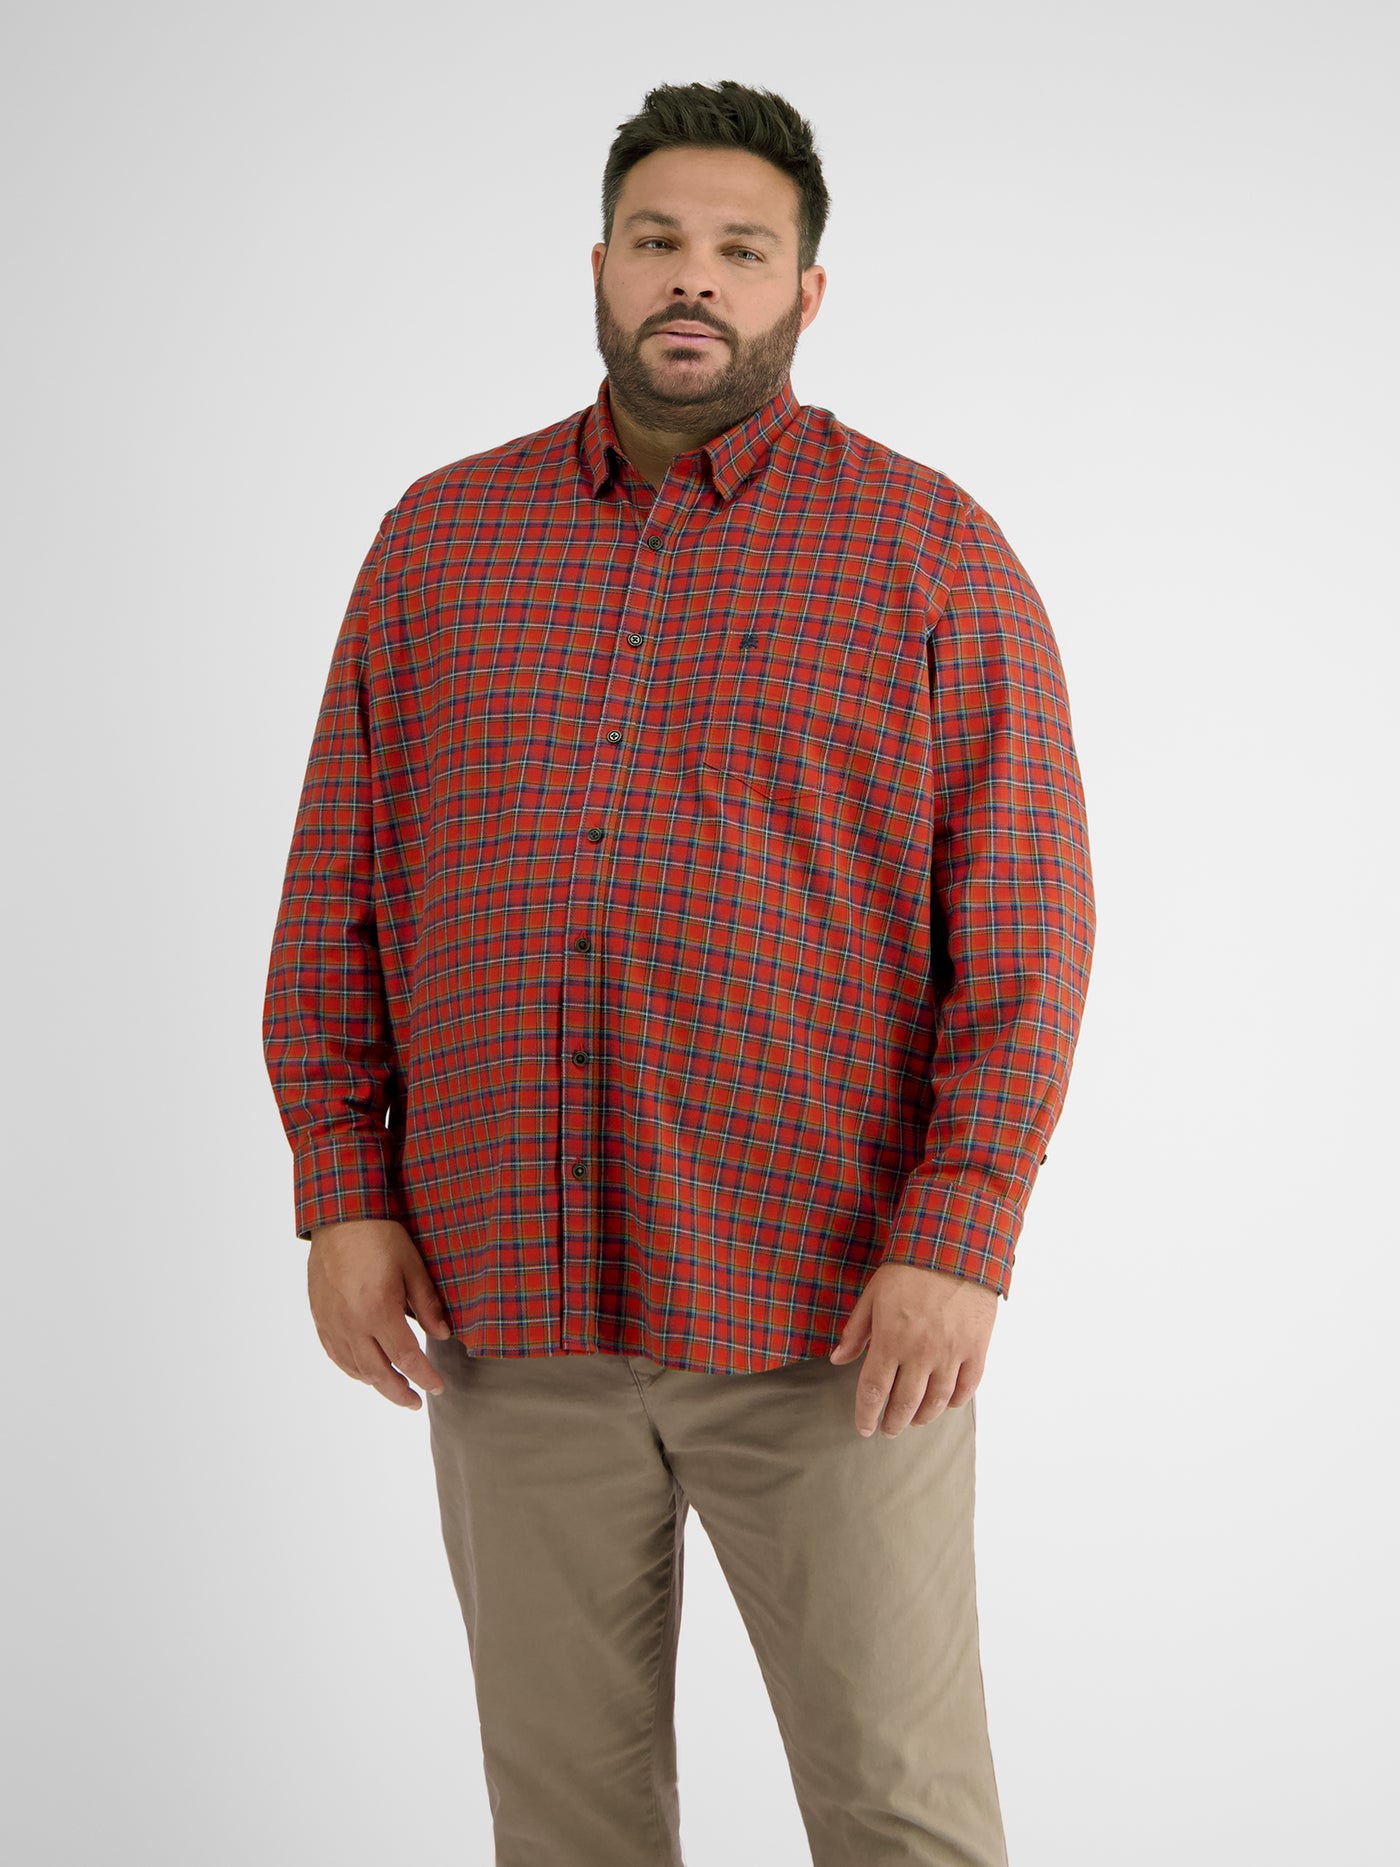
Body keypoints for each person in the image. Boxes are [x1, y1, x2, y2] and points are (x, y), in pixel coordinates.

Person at [263, 77, 1095, 1867]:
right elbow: (337, 886)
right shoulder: (437, 541)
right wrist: (344, 1189)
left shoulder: (929, 551)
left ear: (807, 291)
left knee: (899, 1808)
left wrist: (961, 1234)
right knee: (564, 1822)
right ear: (600, 268)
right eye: (659, 241)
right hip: (508, 1301)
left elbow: (1027, 931)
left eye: (741, 248)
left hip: (830, 1315)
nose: (694, 278)